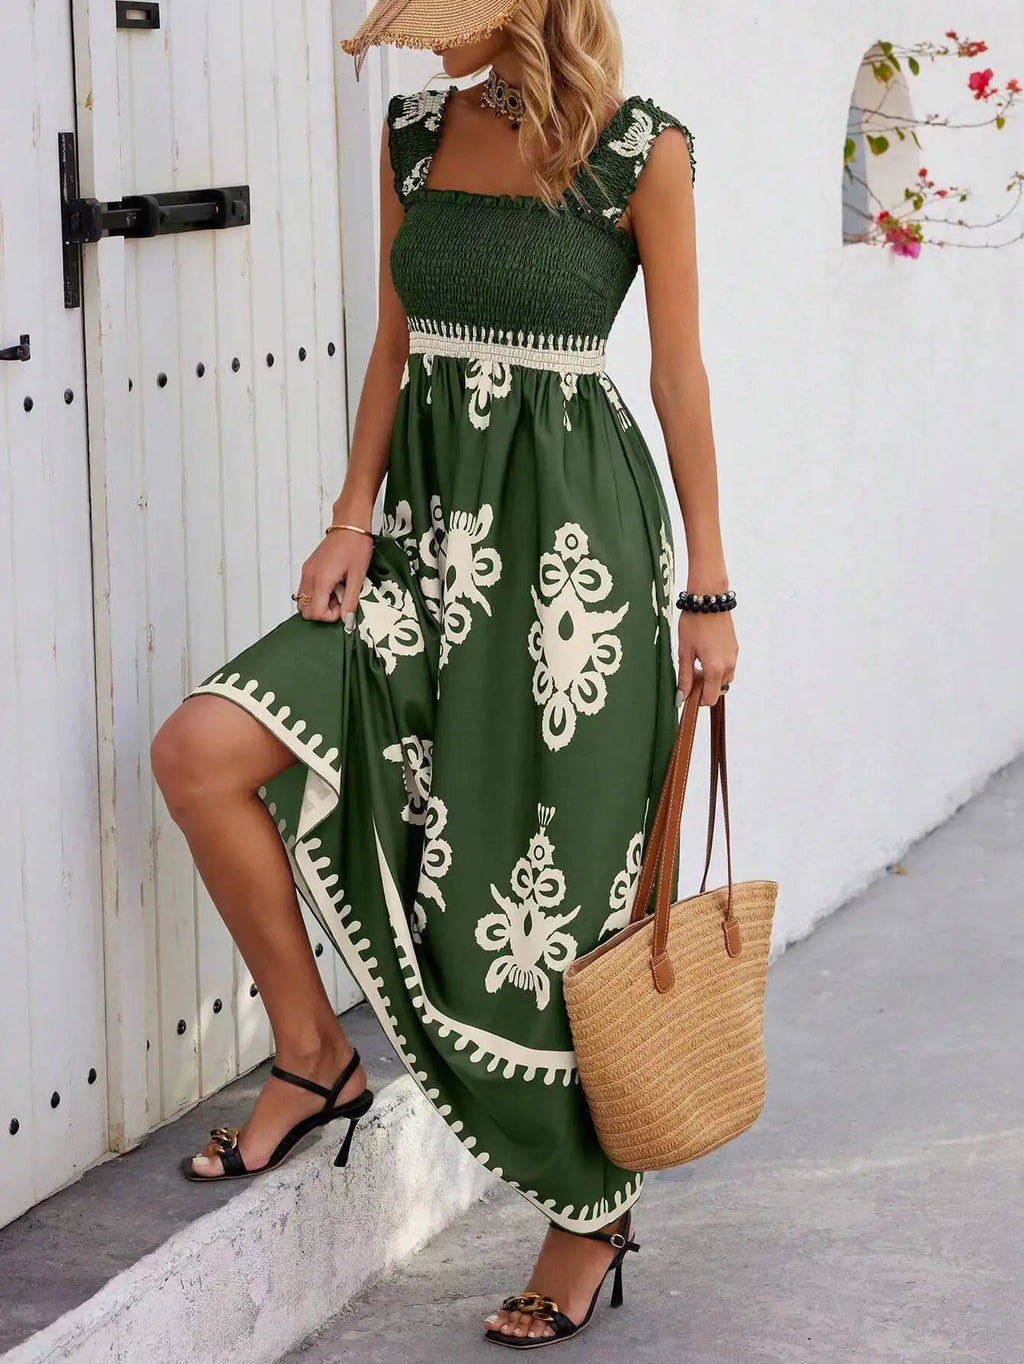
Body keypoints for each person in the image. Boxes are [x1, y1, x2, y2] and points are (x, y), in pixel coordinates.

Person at [150, 0, 738, 1347]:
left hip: (571, 573)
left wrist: (707, 587)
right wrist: (350, 514)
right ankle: (314, 1054)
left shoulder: (643, 150)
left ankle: (587, 1212)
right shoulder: (415, 136)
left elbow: (680, 373)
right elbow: (396, 343)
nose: (417, 32)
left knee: (549, 903)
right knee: (202, 752)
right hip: (422, 542)